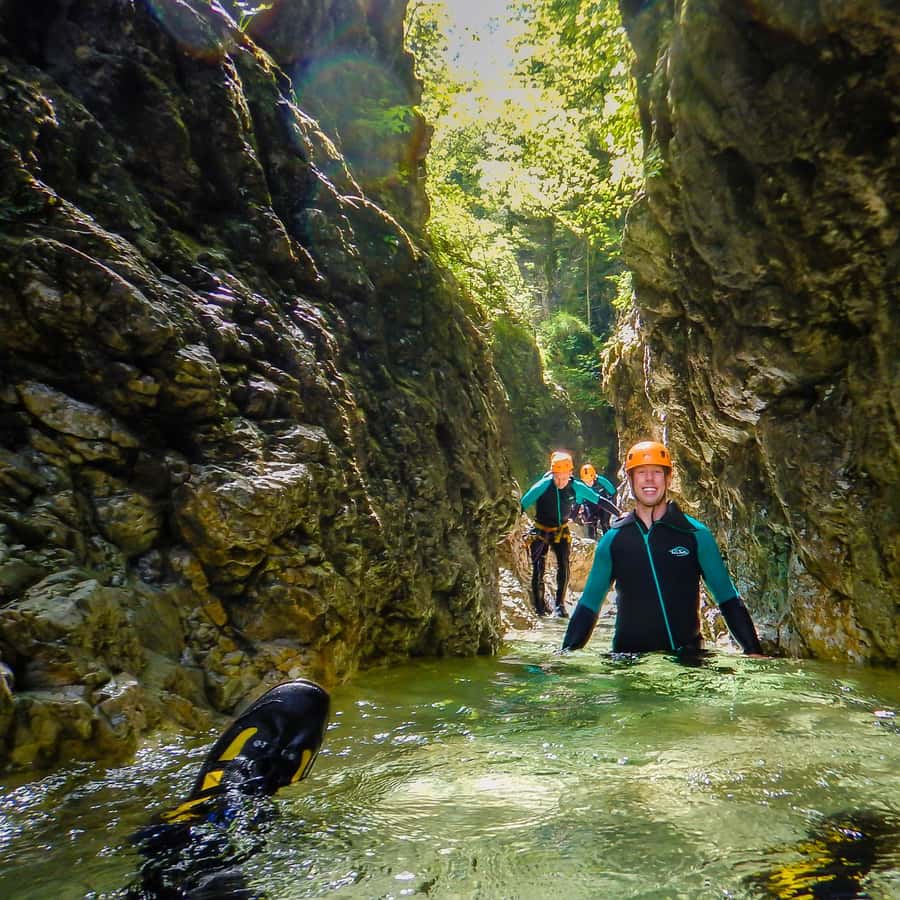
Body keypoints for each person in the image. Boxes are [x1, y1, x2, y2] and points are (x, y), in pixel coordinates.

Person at [561, 440, 763, 655]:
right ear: (630, 479)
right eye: (641, 472)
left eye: (657, 472)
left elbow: (727, 598)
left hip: (687, 660)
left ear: (669, 478)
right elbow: (589, 605)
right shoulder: (613, 541)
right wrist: (565, 654)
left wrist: (754, 651)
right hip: (628, 662)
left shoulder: (695, 535)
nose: (649, 478)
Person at [521, 451, 600, 618]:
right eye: (557, 478)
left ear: (570, 473)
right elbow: (523, 503)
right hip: (540, 529)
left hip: (561, 530)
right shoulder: (544, 484)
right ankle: (539, 606)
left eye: (564, 478)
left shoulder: (575, 485)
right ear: (552, 473)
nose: (561, 482)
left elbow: (598, 500)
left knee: (563, 565)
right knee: (539, 566)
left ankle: (560, 605)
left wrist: (619, 513)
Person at [575, 462, 621, 538]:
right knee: (590, 523)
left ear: (594, 477)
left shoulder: (602, 481)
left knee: (605, 523)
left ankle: (608, 540)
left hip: (603, 505)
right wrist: (576, 515)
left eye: (590, 480)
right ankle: (592, 541)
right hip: (590, 506)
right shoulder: (581, 487)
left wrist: (612, 506)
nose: (588, 483)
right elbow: (578, 502)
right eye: (586, 481)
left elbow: (613, 493)